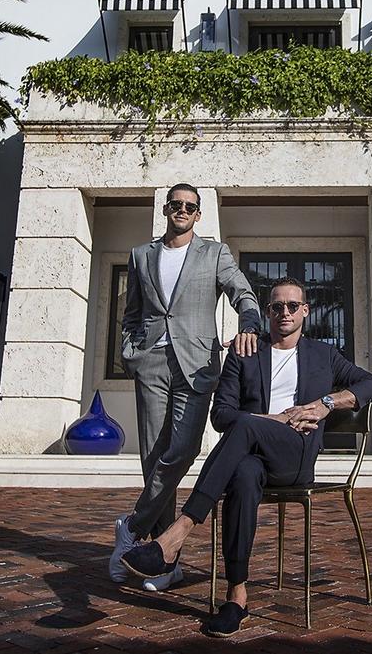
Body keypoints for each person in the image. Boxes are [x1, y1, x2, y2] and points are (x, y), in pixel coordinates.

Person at [121, 277, 372, 637]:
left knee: (245, 428)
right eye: (277, 306)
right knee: (243, 473)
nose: (285, 313)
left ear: (305, 311)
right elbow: (222, 416)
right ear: (267, 312)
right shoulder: (245, 354)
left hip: (296, 456)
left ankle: (175, 535)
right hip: (253, 458)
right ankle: (236, 598)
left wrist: (326, 404)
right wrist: (272, 419)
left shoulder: (323, 355)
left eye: (293, 306)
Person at [109, 183, 262, 592]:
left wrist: (249, 323)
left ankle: (132, 526)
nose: (182, 210)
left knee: (184, 450)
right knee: (154, 455)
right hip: (151, 363)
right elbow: (132, 312)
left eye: (190, 206)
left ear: (198, 215)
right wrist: (131, 354)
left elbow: (242, 292)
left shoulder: (215, 254)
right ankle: (164, 561)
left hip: (195, 365)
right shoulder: (142, 255)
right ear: (166, 210)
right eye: (176, 204)